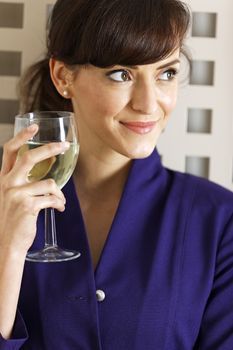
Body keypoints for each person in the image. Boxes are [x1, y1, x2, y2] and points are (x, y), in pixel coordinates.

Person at [0, 0, 233, 348]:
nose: (148, 103)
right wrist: (9, 250)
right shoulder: (7, 208)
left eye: (165, 73)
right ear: (64, 77)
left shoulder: (219, 220)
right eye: (121, 74)